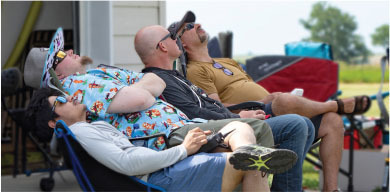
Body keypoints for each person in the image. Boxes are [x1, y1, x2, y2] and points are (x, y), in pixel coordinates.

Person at [24, 28, 298, 175]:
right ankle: (248, 158)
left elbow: (149, 87)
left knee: (274, 130)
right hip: (166, 135)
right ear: (55, 72)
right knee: (260, 131)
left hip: (182, 124)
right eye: (60, 55)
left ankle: (248, 158)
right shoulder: (79, 86)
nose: (70, 51)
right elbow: (144, 95)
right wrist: (150, 85)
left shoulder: (93, 76)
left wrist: (146, 87)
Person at [177, 12, 367, 192]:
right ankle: (334, 104)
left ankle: (330, 188)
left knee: (332, 121)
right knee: (286, 102)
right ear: (183, 44)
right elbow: (215, 108)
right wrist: (263, 101)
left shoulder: (227, 62)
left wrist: (270, 98)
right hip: (253, 116)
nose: (199, 25)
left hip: (268, 107)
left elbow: (248, 87)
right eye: (191, 27)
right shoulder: (196, 70)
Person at [136, 24, 315, 191]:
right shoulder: (158, 79)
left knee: (303, 124)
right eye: (172, 36)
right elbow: (192, 112)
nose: (176, 39)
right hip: (206, 132)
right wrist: (236, 118)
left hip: (229, 119)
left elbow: (208, 104)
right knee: (295, 124)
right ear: (163, 47)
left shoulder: (174, 75)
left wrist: (237, 113)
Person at [26, 88, 296, 191]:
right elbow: (128, 162)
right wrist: (183, 149)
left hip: (166, 169)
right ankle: (250, 156)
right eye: (60, 100)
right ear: (54, 122)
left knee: (239, 129)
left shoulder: (91, 127)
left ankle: (249, 153)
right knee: (251, 166)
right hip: (163, 178)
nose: (70, 96)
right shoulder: (80, 132)